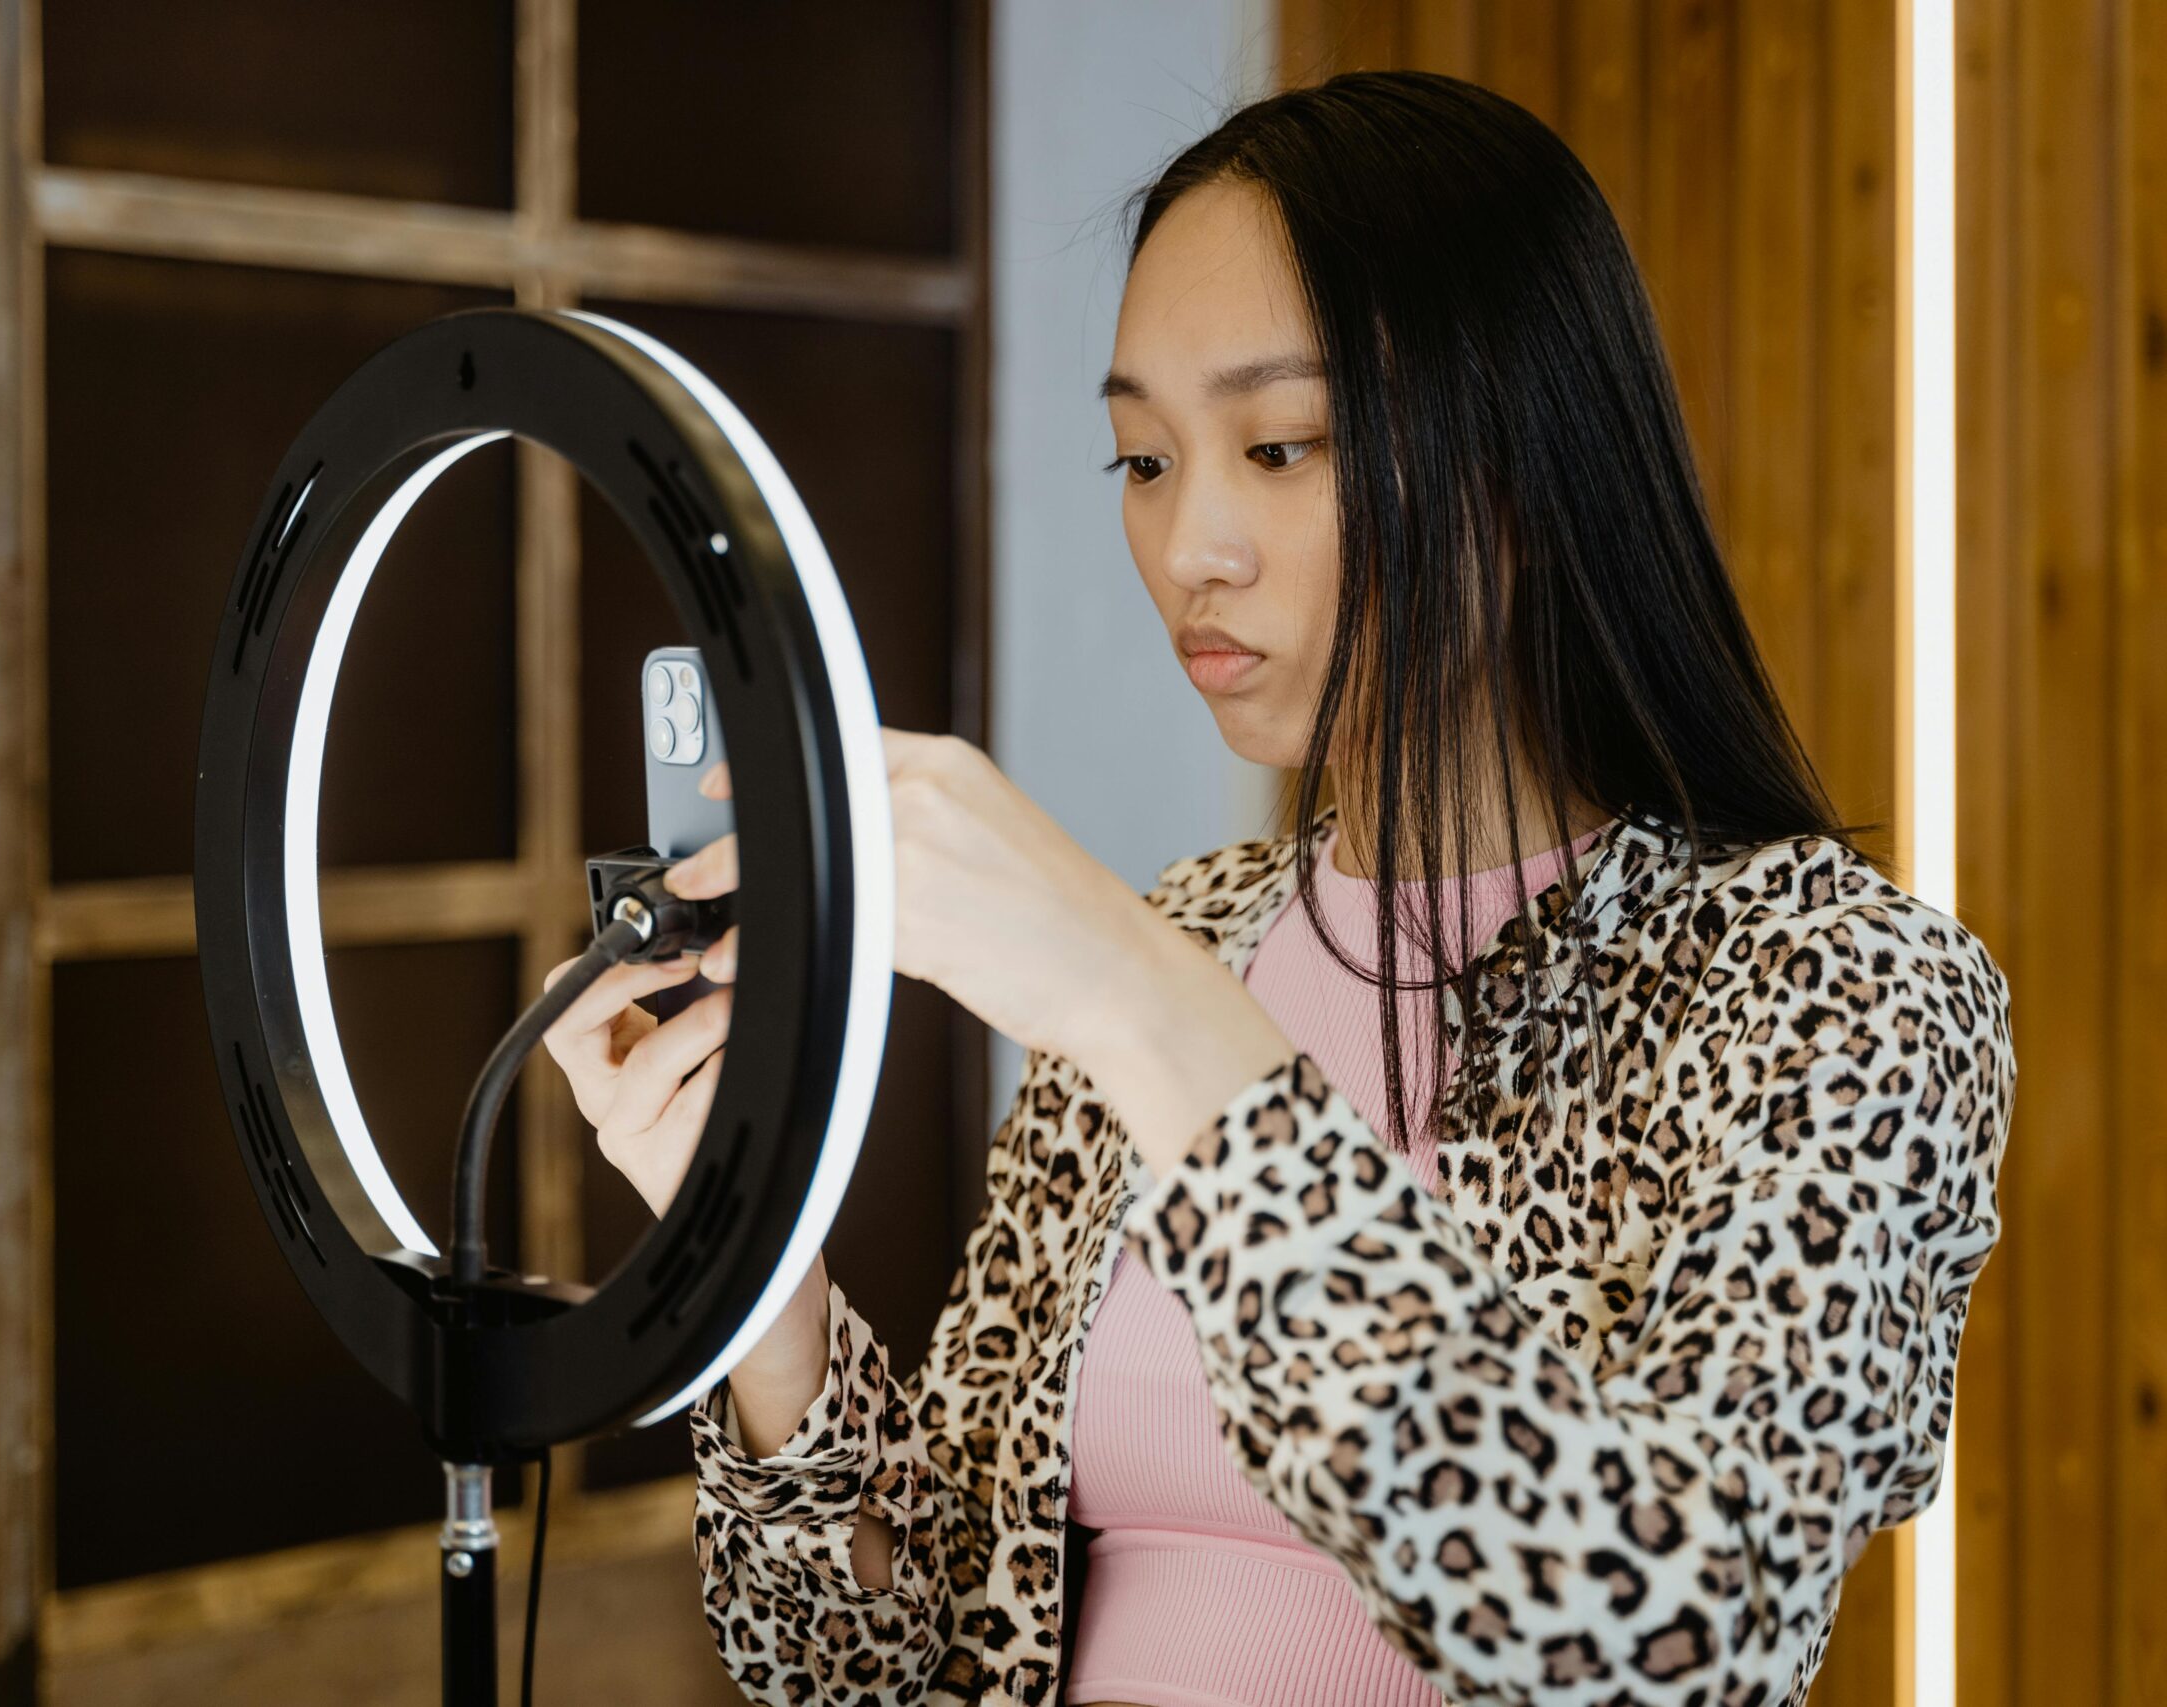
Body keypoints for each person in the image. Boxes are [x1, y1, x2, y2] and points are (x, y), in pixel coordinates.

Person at [537, 70, 2014, 1707]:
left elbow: (1670, 1645)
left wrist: (1139, 1007)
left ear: (1523, 464)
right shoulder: (1191, 933)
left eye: (1279, 445)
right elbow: (886, 1666)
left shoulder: (1832, 989)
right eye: (1143, 460)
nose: (1191, 548)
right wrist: (767, 1271)